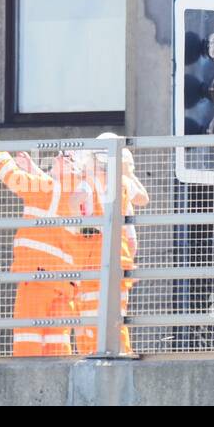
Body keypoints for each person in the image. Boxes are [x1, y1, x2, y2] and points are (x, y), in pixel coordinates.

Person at [0, 135, 92, 357]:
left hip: (38, 276)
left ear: (72, 168)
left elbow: (14, 178)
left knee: (28, 335)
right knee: (56, 341)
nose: (57, 158)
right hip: (64, 284)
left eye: (63, 156)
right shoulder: (73, 197)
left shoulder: (50, 190)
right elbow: (47, 190)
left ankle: (24, 378)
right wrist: (34, 169)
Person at [73, 136, 150, 355]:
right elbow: (143, 198)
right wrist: (127, 172)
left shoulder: (88, 183)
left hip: (91, 263)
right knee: (115, 317)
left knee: (90, 318)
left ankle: (94, 356)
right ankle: (119, 355)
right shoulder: (121, 182)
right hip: (119, 260)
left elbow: (71, 202)